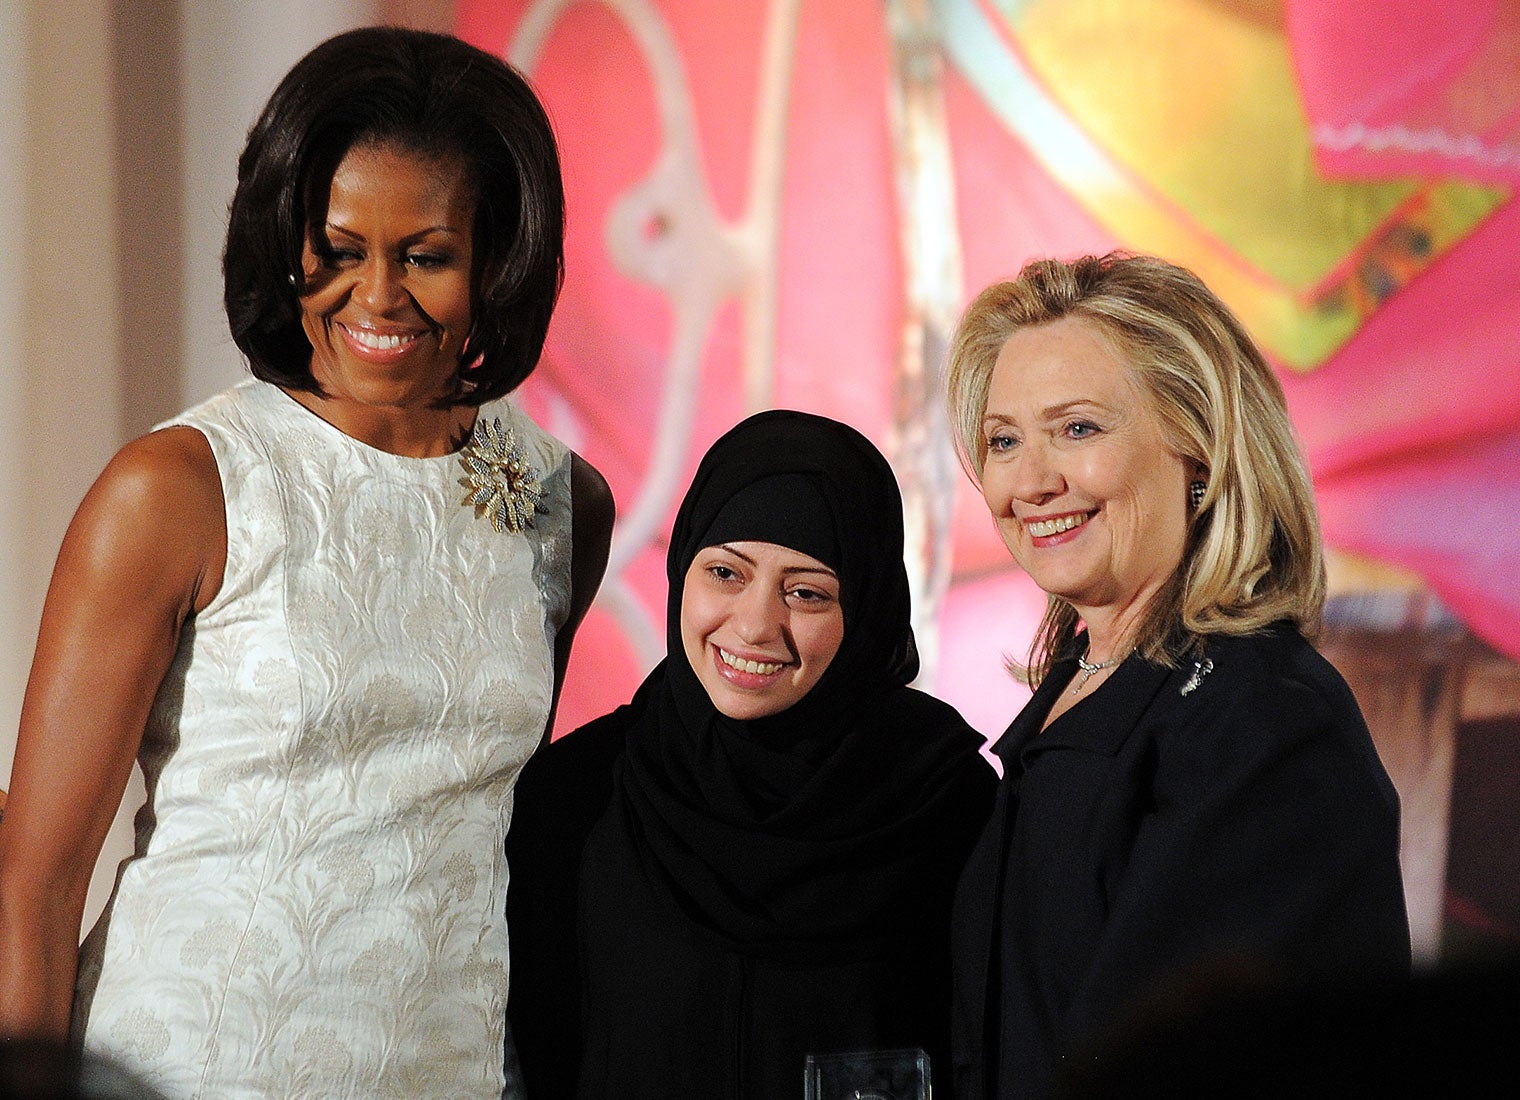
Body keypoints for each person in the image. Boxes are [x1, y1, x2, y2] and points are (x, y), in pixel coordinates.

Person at [0, 27, 613, 1099]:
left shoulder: (566, 504)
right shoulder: (176, 489)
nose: (374, 297)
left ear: (500, 259)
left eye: (425, 254)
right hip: (184, 1068)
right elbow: (36, 880)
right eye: (336, 248)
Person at [943, 252, 1410, 1099]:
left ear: (1198, 446)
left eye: (1078, 429)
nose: (1032, 481)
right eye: (1004, 441)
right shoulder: (1078, 695)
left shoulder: (1263, 721)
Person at [505, 410, 997, 1099]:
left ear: (868, 608)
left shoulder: (944, 803)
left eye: (806, 592)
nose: (756, 625)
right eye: (727, 573)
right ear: (684, 570)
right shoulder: (577, 798)